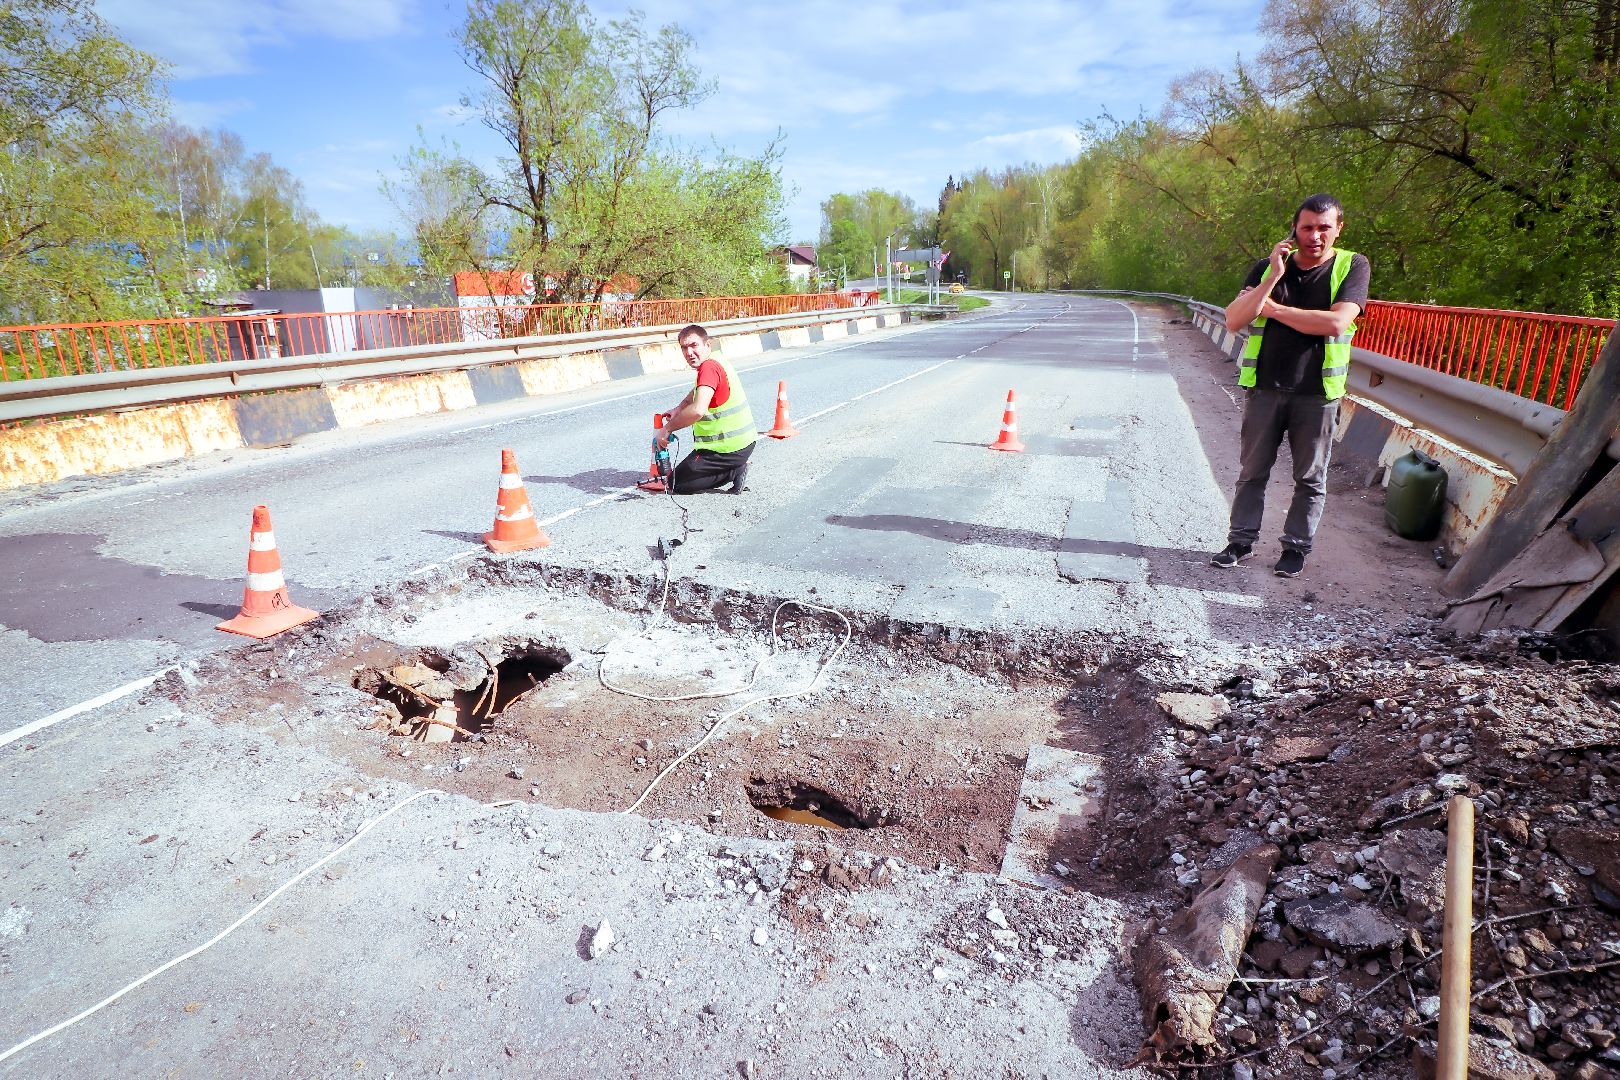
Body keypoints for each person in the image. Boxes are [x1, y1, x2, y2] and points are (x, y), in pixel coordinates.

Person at [1210, 194, 1371, 578]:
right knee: (1252, 471)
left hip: (1316, 394)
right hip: (1265, 387)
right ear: (1294, 230)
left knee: (1310, 478)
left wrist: (1274, 309)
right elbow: (1233, 319)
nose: (1315, 236)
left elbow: (1336, 323)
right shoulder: (1267, 268)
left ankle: (1295, 548)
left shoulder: (1353, 265)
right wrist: (1272, 277)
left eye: (1323, 227)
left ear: (1338, 228)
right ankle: (1240, 542)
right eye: (1307, 228)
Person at [655, 323, 757, 494]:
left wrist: (667, 429)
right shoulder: (717, 360)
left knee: (676, 484)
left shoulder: (708, 367)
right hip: (742, 444)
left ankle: (735, 471)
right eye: (684, 348)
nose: (689, 352)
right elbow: (699, 389)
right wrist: (679, 408)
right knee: (683, 476)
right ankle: (734, 467)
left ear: (707, 344)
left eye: (694, 345)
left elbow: (697, 410)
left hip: (726, 450)